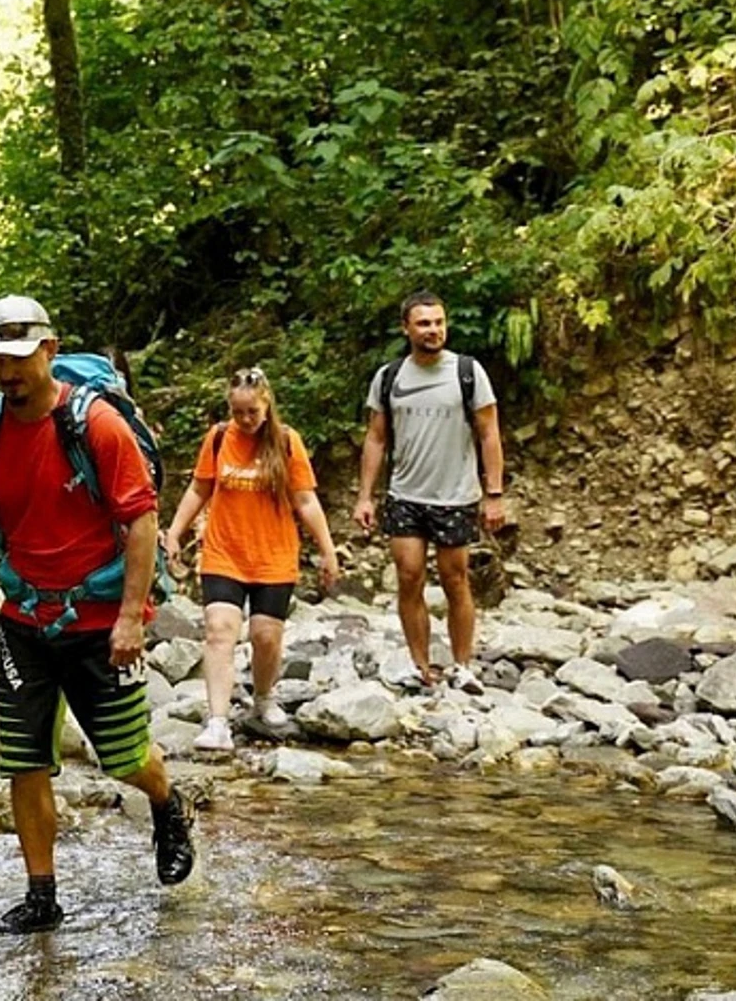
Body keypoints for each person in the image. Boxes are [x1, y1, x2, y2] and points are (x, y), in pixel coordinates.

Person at [0, 295, 194, 934]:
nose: (7, 373)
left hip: (102, 622)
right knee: (24, 760)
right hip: (25, 620)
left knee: (123, 756)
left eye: (19, 358)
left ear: (49, 351)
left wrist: (132, 617)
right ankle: (41, 896)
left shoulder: (96, 426)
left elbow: (140, 521)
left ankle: (167, 803)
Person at [162, 367, 341, 750]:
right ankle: (217, 721)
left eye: (252, 413)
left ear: (266, 406)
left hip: (274, 556)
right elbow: (199, 489)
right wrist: (174, 532)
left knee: (265, 636)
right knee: (219, 630)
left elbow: (306, 501)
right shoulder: (219, 438)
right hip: (224, 552)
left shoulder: (287, 442)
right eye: (238, 412)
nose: (245, 421)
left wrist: (327, 550)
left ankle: (263, 698)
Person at [353, 290, 506, 693]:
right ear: (406, 328)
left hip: (456, 493)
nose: (433, 330)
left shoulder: (468, 372)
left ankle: (462, 664)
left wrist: (494, 492)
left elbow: (490, 433)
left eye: (439, 322)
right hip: (405, 493)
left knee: (456, 579)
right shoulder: (389, 378)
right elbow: (375, 438)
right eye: (424, 323)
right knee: (409, 577)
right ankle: (421, 665)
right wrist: (365, 496)